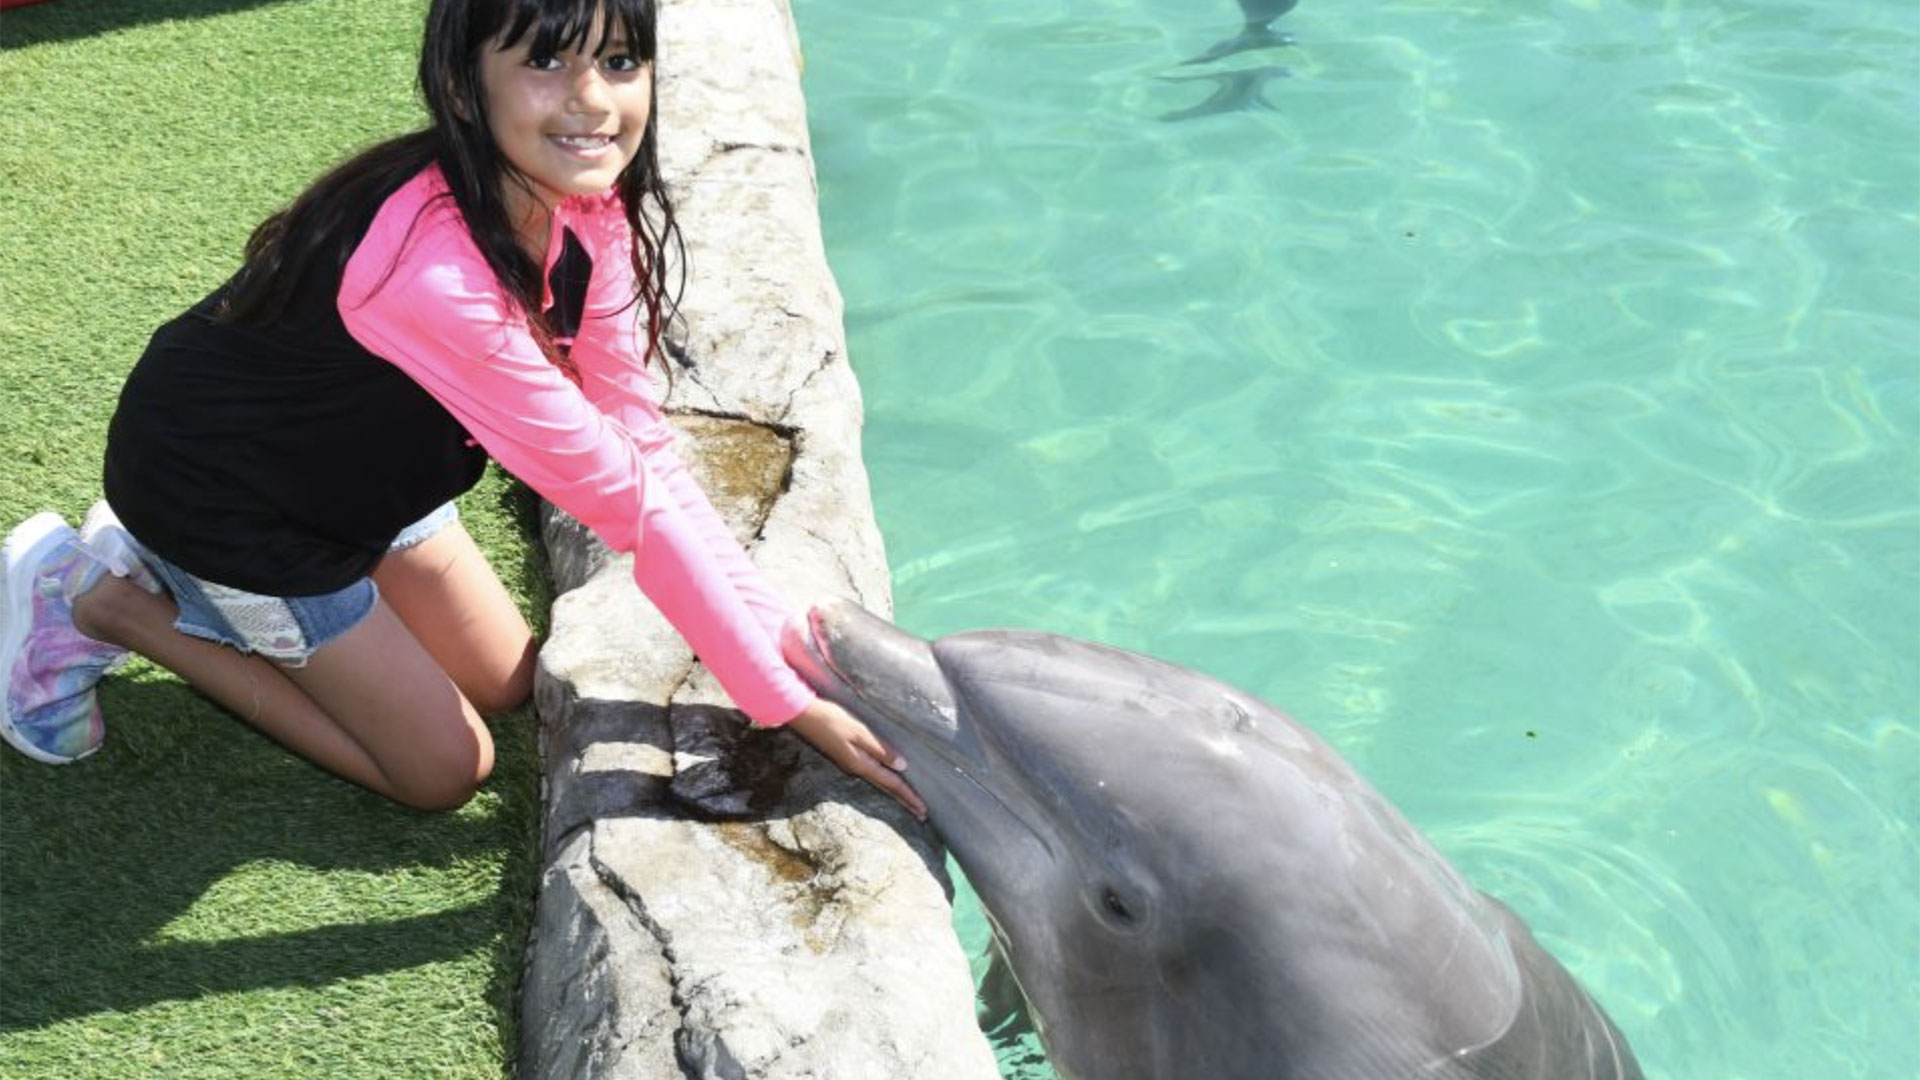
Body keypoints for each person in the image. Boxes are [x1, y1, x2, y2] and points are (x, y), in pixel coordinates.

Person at [0, 0, 924, 820]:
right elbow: (624, 504)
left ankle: (159, 574)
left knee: (510, 680)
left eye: (618, 60)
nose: (592, 99)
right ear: (461, 79)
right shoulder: (436, 274)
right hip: (230, 500)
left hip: (364, 482)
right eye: (545, 61)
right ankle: (100, 602)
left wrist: (792, 649)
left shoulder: (586, 207)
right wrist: (785, 703)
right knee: (444, 770)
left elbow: (639, 445)